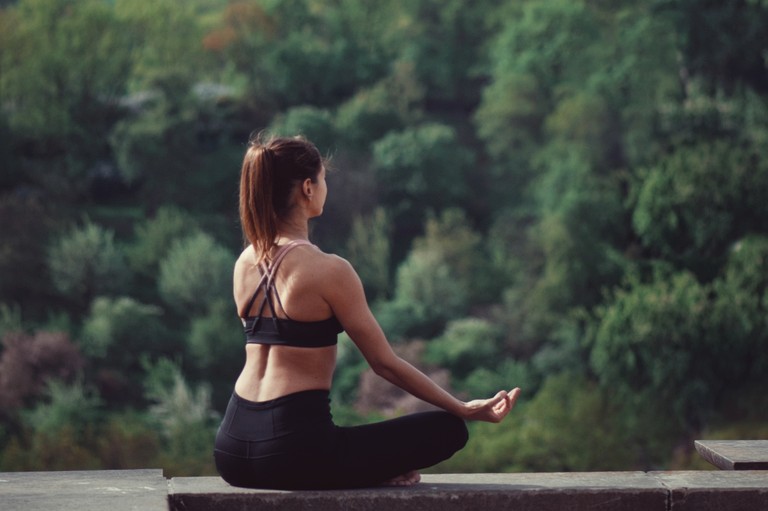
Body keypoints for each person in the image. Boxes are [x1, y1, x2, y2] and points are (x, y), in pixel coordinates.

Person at [213, 134, 521, 490]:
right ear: (308, 188)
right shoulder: (330, 270)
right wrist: (463, 408)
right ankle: (369, 472)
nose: (327, 186)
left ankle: (363, 469)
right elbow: (384, 363)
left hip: (232, 451)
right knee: (448, 429)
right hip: (291, 453)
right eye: (324, 178)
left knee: (347, 445)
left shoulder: (245, 263)